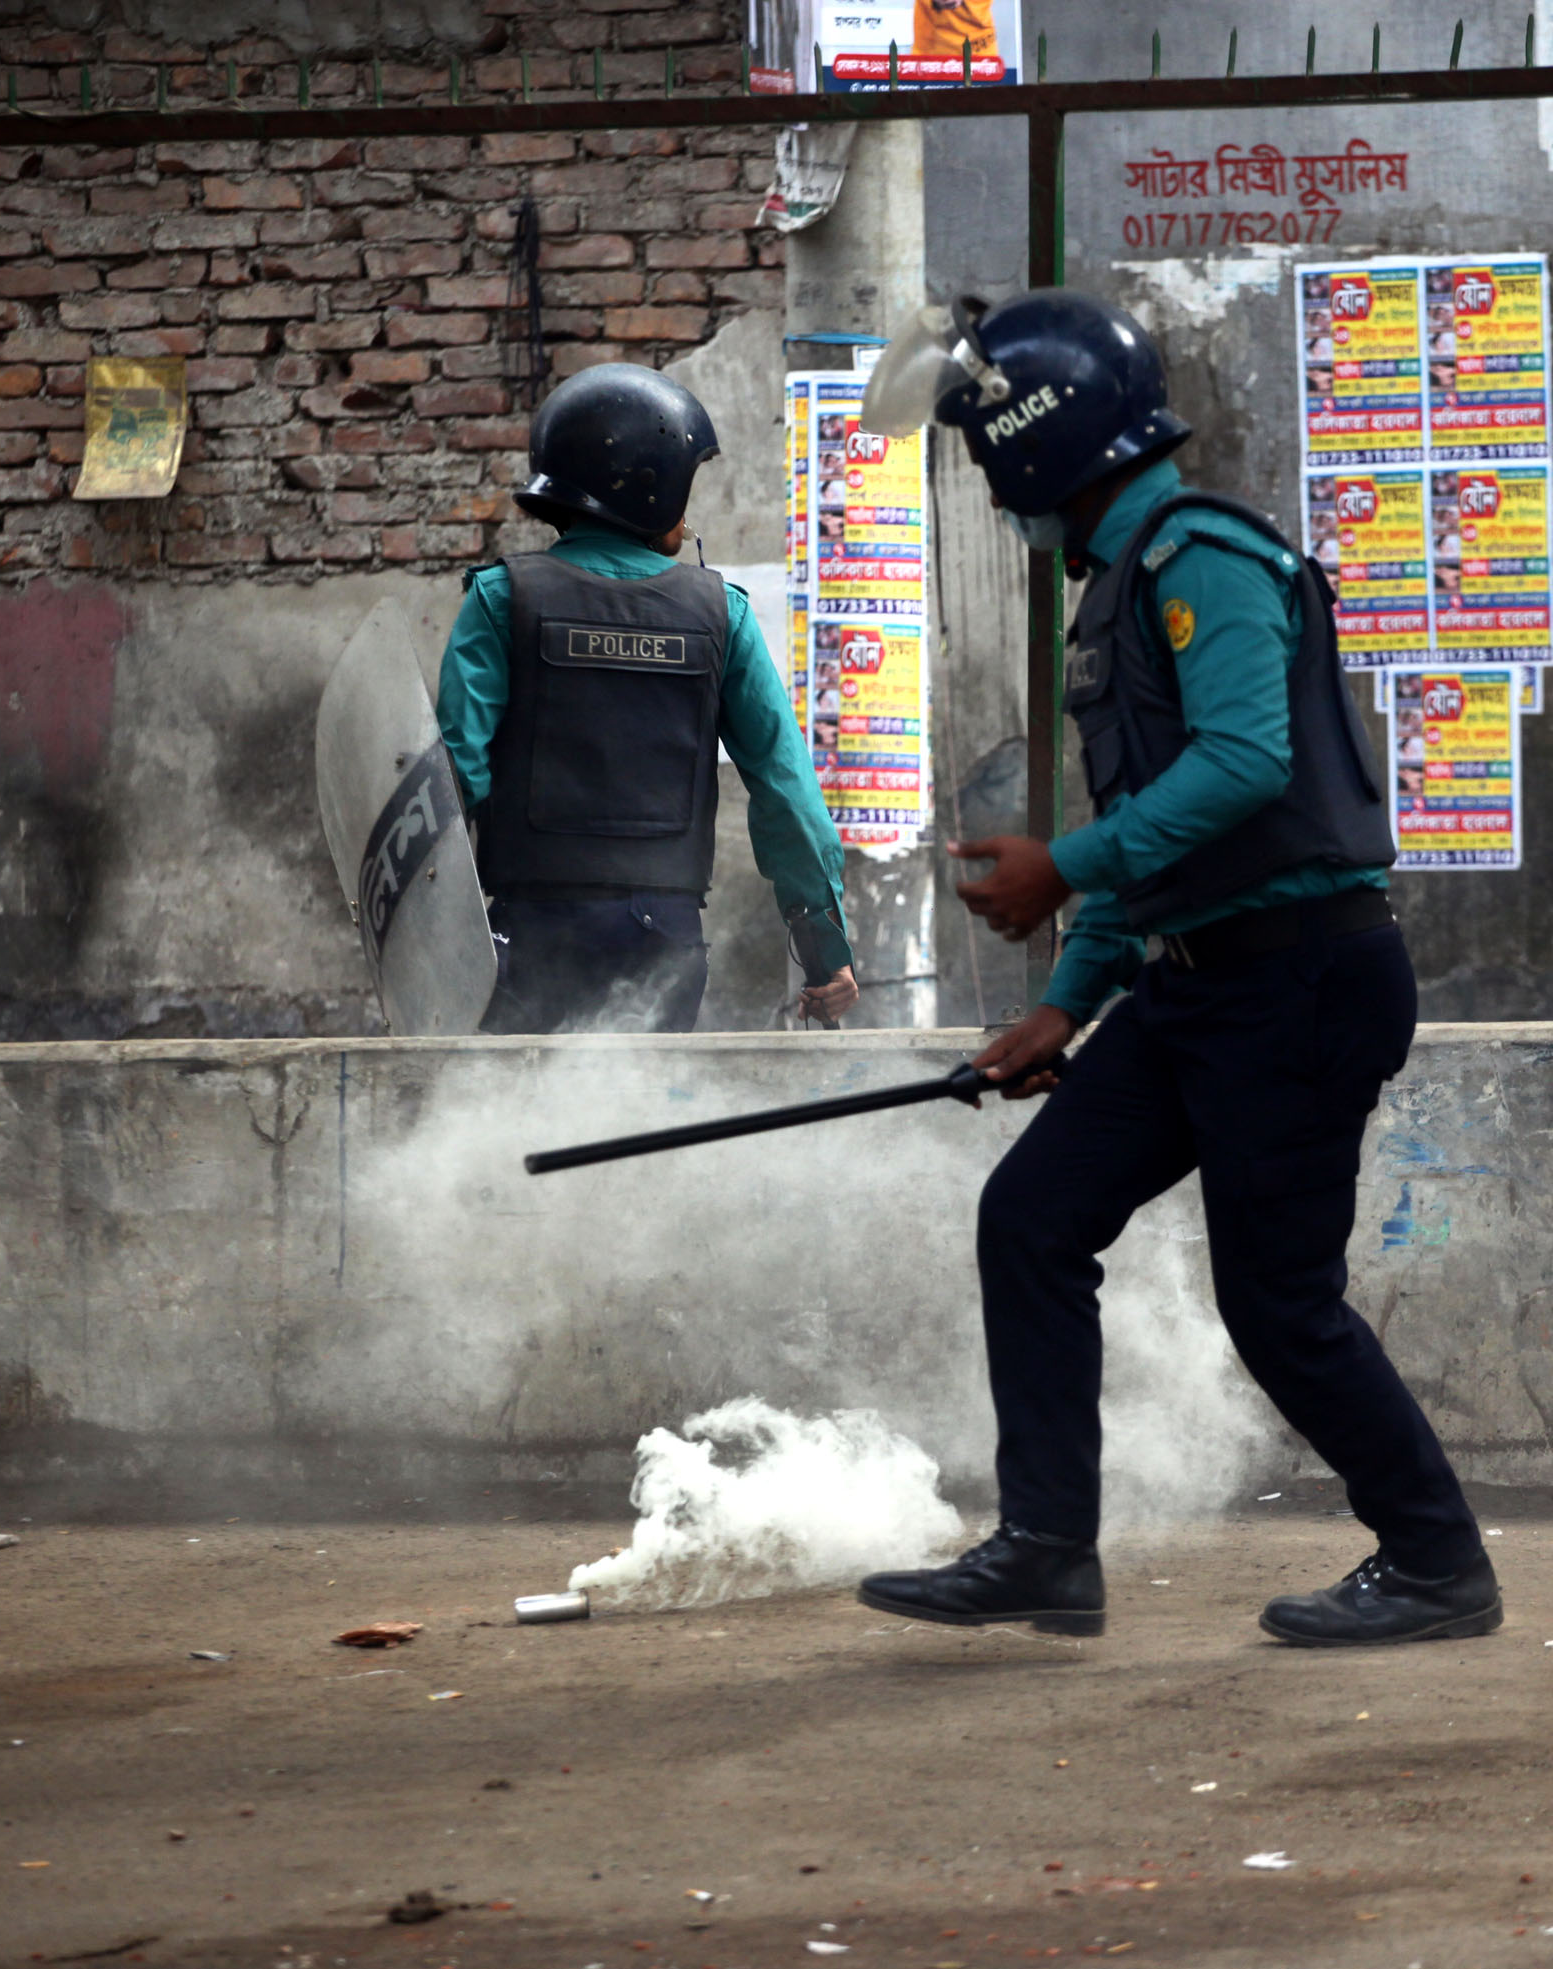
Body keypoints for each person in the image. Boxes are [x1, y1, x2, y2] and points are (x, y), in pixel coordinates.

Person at [852, 291, 1499, 1648]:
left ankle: (1438, 1563)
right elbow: (1161, 836)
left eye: (985, 459)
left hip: (1301, 979)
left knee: (1276, 1302)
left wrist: (1063, 866)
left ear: (1040, 444)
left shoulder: (1199, 558)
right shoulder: (1118, 585)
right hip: (1195, 984)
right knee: (1032, 1219)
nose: (986, 492)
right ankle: (1045, 1551)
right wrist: (1060, 1005)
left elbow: (1246, 764)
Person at [437, 362, 859, 1033]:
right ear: (650, 486)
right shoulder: (723, 614)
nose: (687, 517)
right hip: (663, 941)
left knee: (510, 1125)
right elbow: (787, 792)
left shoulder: (501, 599)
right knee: (642, 1129)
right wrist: (824, 952)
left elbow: (456, 775)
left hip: (530, 934)